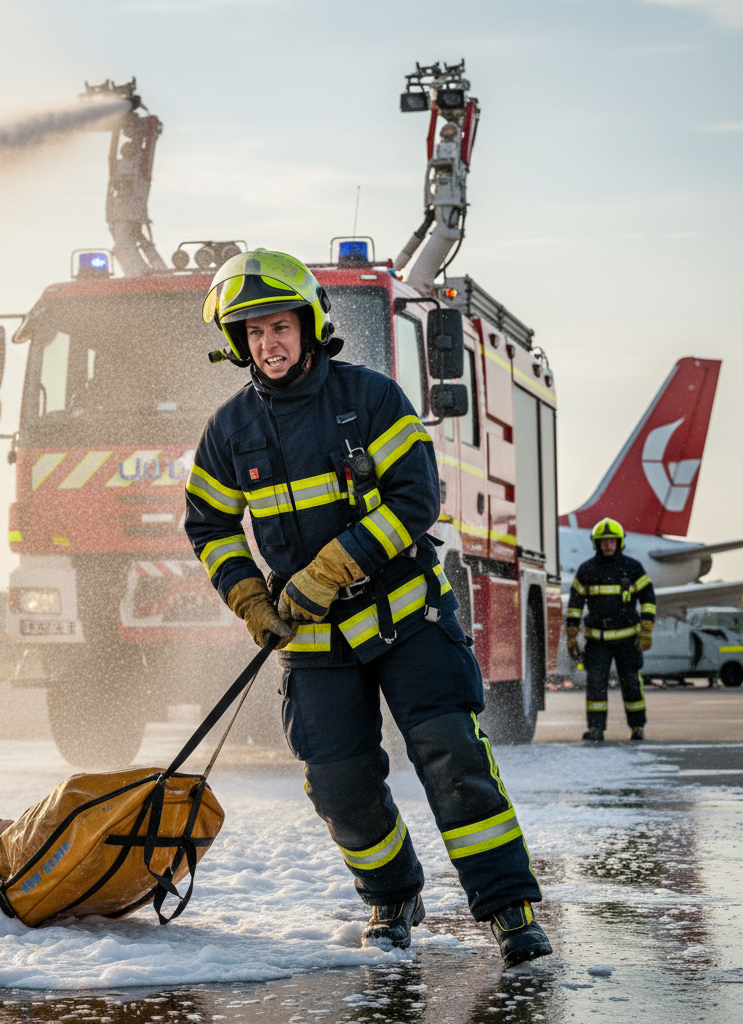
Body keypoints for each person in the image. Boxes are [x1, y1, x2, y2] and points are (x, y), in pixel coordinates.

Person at [184, 248, 551, 968]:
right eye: (252, 332)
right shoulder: (228, 431)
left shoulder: (372, 398)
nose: (268, 343)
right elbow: (210, 526)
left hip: (406, 620)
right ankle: (390, 898)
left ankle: (509, 910)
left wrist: (330, 569)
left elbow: (417, 499)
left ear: (310, 324)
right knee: (339, 784)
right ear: (237, 342)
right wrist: (251, 598)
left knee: (455, 763)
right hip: (316, 645)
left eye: (280, 326)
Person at [565, 517, 655, 742]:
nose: (608, 545)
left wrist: (646, 628)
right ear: (597, 543)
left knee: (632, 684)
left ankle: (637, 728)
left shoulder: (633, 568)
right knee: (595, 685)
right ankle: (596, 729)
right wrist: (572, 635)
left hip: (628, 641)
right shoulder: (586, 570)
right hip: (597, 642)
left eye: (612, 541)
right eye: (603, 542)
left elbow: (648, 598)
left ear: (619, 543)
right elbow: (575, 604)